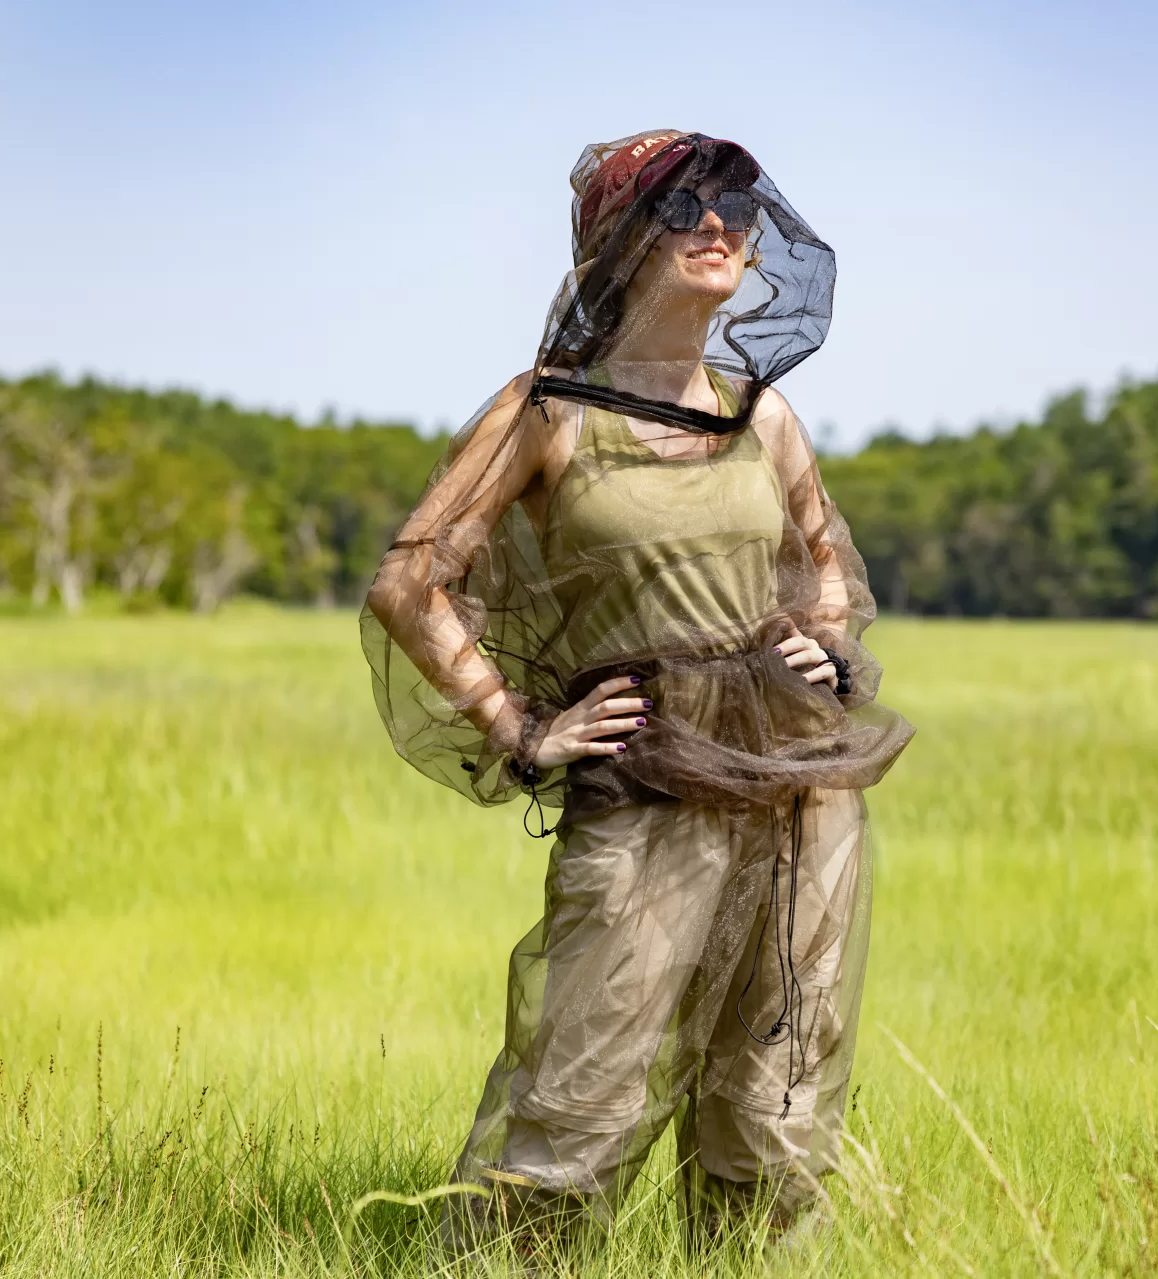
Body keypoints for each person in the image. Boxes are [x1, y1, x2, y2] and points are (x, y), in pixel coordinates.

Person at [361, 130, 913, 1255]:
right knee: (581, 1096)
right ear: (618, 241)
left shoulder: (759, 413)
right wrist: (519, 724)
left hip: (799, 796)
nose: (720, 226)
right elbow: (410, 583)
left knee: (773, 1103)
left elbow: (823, 567)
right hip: (643, 787)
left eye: (736, 209)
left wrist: (825, 646)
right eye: (682, 206)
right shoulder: (549, 409)